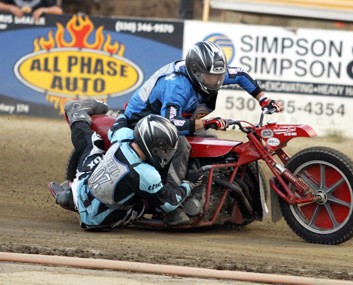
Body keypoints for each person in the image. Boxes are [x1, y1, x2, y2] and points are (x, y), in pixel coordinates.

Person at [124, 41, 283, 221]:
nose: (216, 81)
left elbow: (240, 74)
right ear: (195, 72)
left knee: (210, 141)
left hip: (170, 118)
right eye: (210, 77)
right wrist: (206, 122)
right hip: (142, 120)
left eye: (219, 76)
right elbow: (172, 124)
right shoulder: (177, 85)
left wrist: (263, 99)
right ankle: (170, 206)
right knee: (180, 145)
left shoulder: (212, 75)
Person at [48, 99, 203, 230]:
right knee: (148, 202)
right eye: (164, 150)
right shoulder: (146, 173)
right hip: (100, 220)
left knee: (94, 143)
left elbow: (118, 124)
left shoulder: (123, 136)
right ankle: (73, 199)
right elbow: (169, 203)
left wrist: (123, 114)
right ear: (151, 145)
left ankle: (77, 117)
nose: (166, 154)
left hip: (85, 188)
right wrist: (189, 184)